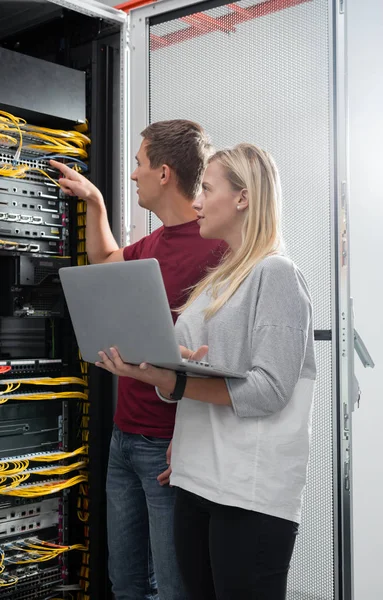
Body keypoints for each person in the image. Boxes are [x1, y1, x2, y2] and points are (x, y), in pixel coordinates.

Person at [97, 143, 317, 600]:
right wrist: (159, 370)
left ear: (242, 198)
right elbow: (198, 371)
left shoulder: (276, 274)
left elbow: (269, 390)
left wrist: (176, 379)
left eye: (207, 190)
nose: (196, 202)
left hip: (247, 492)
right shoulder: (216, 281)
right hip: (197, 478)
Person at [50, 120, 226, 600]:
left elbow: (225, 358)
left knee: (174, 589)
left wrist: (188, 440)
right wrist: (95, 203)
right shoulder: (155, 243)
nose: (133, 175)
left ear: (164, 173)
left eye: (139, 164)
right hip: (124, 438)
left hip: (170, 447)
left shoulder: (220, 247)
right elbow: (105, 260)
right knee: (125, 585)